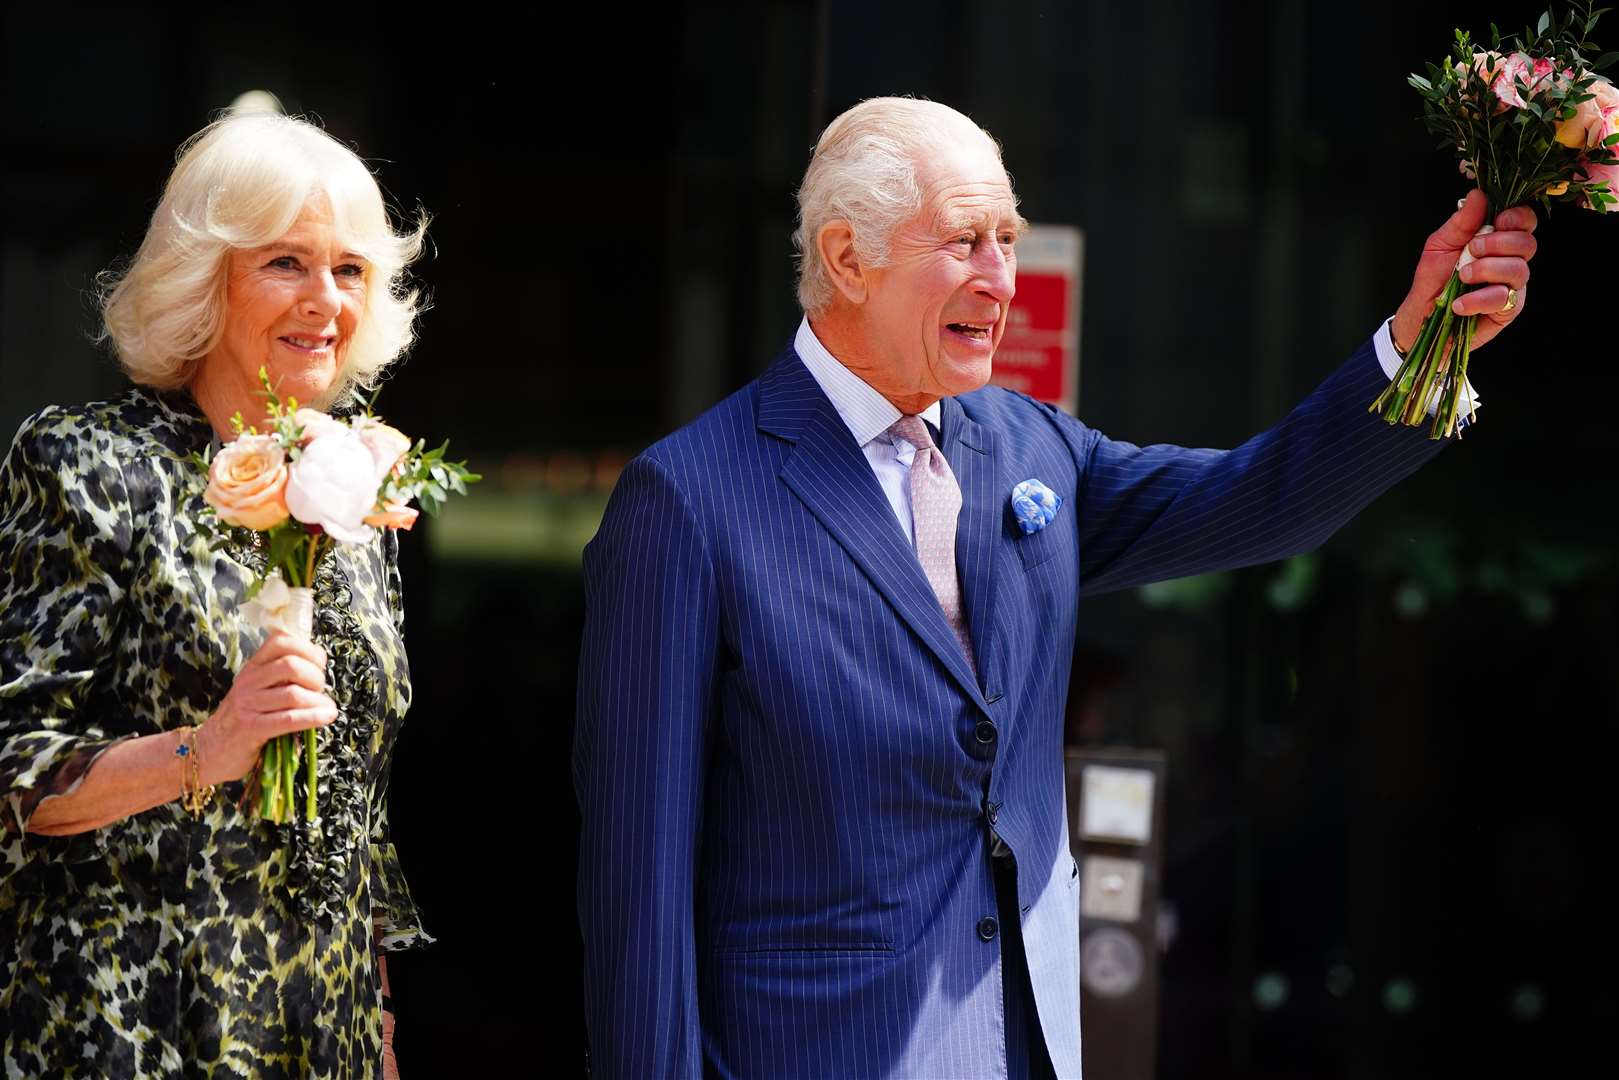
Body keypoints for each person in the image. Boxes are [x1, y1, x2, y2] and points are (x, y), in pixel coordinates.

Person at [574, 96, 1536, 1078]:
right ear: (846, 259)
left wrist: (1425, 347)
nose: (1001, 281)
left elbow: (1262, 499)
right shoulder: (689, 501)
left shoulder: (1027, 447)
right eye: (962, 242)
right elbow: (637, 886)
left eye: (1007, 240)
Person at [0, 113, 431, 1078]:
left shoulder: (350, 484)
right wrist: (211, 748)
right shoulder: (86, 462)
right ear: (206, 280)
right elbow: (13, 767)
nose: (325, 300)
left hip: (326, 1026)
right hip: (132, 1020)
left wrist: (380, 1029)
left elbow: (355, 806)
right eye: (286, 263)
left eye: (349, 270)